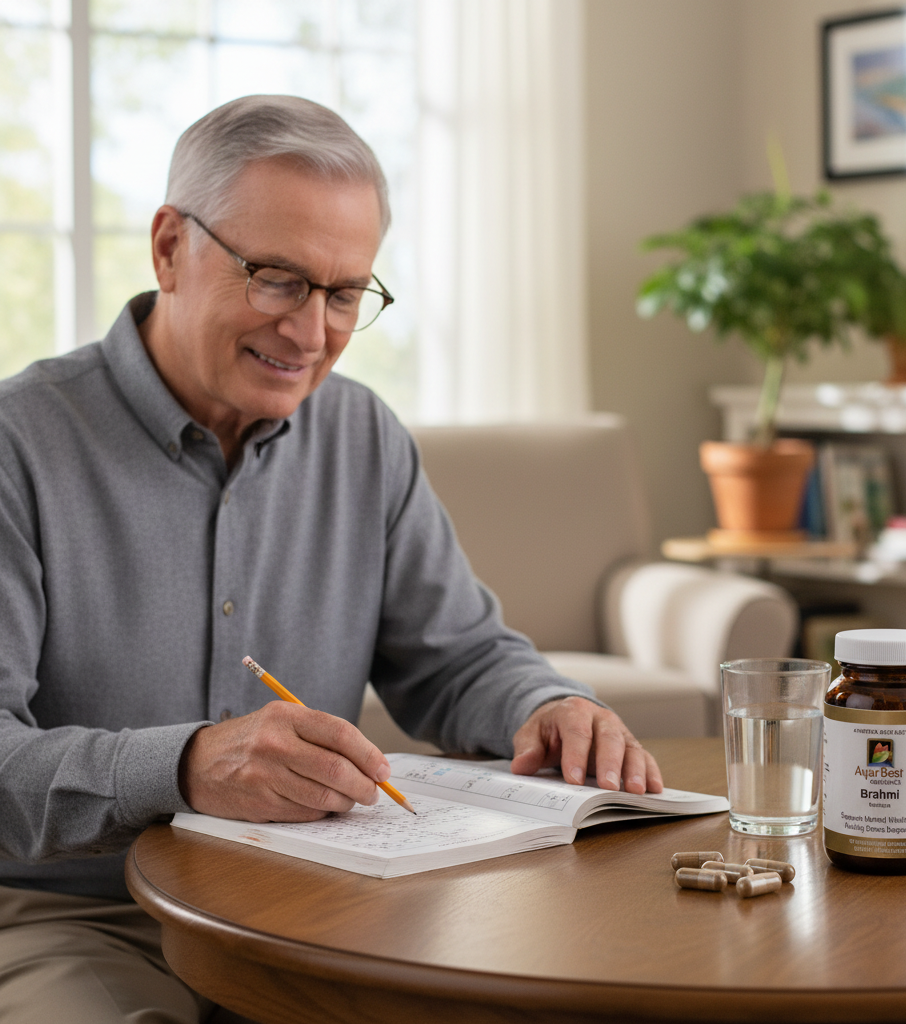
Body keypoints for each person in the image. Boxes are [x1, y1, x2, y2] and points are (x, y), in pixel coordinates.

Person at [0, 95, 663, 1022]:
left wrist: (545, 704)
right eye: (276, 278)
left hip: (318, 909)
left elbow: (461, 657)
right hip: (78, 914)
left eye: (346, 292)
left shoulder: (362, 436)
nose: (312, 335)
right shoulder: (19, 444)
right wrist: (186, 766)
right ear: (167, 248)